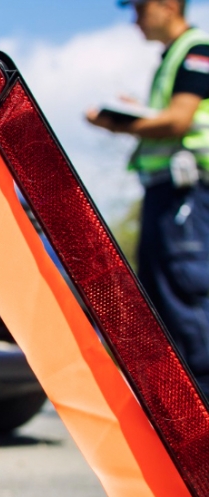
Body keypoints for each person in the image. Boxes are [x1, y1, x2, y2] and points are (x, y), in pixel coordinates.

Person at [88, 0, 209, 392]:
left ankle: (201, 413)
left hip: (186, 198)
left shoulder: (197, 51)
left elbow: (178, 119)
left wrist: (120, 124)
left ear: (168, 5)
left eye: (139, 8)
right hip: (169, 197)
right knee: (164, 300)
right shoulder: (173, 57)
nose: (134, 18)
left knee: (185, 299)